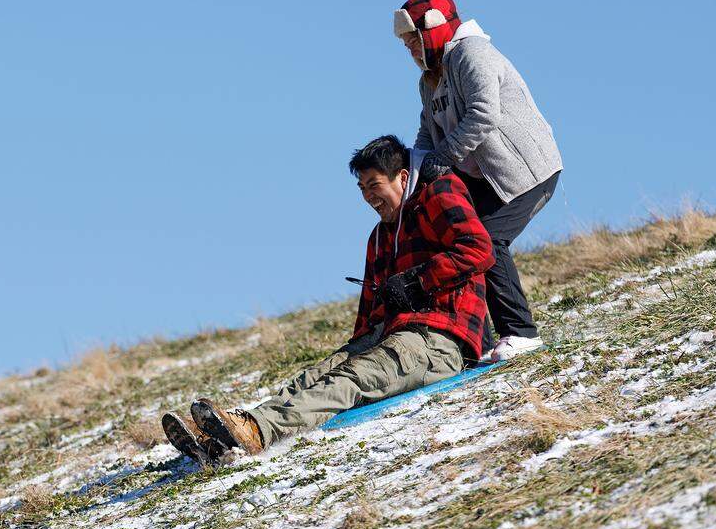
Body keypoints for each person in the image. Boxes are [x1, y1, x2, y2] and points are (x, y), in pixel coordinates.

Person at [161, 135, 494, 462]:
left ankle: (259, 432)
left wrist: (417, 280)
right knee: (313, 377)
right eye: (361, 188)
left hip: (438, 338)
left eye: (374, 185)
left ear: (402, 177)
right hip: (390, 334)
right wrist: (354, 346)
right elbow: (369, 306)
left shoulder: (438, 196)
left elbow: (479, 249)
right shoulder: (379, 237)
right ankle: (227, 437)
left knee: (349, 379)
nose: (368, 196)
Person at [395, 0, 562, 361]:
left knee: (485, 240)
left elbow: (484, 114)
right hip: (483, 177)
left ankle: (521, 333)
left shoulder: (472, 54)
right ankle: (479, 341)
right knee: (459, 241)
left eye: (411, 36)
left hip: (524, 172)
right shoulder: (429, 81)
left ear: (433, 30)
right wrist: (414, 173)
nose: (407, 45)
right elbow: (428, 132)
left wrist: (444, 157)